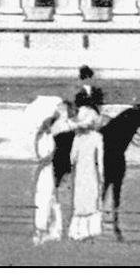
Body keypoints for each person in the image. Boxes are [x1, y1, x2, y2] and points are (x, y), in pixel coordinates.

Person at [32, 101, 74, 245]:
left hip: (55, 168)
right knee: (49, 199)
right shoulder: (58, 127)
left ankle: (51, 231)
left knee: (52, 200)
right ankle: (48, 231)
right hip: (51, 168)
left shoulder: (62, 127)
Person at [68, 104, 106, 241]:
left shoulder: (77, 138)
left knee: (80, 201)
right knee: (92, 200)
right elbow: (100, 160)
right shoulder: (97, 138)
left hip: (80, 174)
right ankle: (92, 229)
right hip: (92, 173)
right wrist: (102, 176)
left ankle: (77, 231)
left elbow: (72, 158)